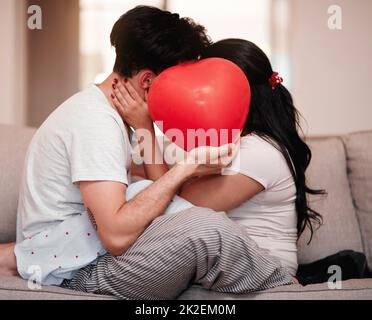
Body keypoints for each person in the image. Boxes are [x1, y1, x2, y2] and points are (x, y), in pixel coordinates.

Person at [0, 8, 293, 299]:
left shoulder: (110, 118)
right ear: (147, 82)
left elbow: (147, 198)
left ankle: (17, 255)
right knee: (208, 228)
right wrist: (187, 167)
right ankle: (285, 287)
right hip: (78, 272)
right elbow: (115, 236)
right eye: (182, 83)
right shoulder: (95, 122)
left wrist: (149, 137)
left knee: (152, 198)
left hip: (87, 260)